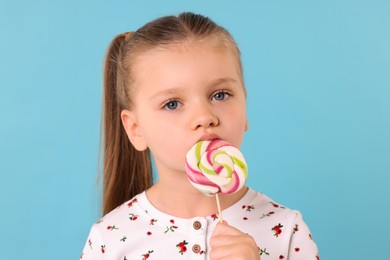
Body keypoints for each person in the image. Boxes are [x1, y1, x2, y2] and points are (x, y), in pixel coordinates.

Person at [81, 12, 319, 260]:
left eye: (220, 95)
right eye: (172, 104)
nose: (205, 116)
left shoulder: (285, 230)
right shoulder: (108, 238)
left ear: (245, 107)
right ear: (135, 129)